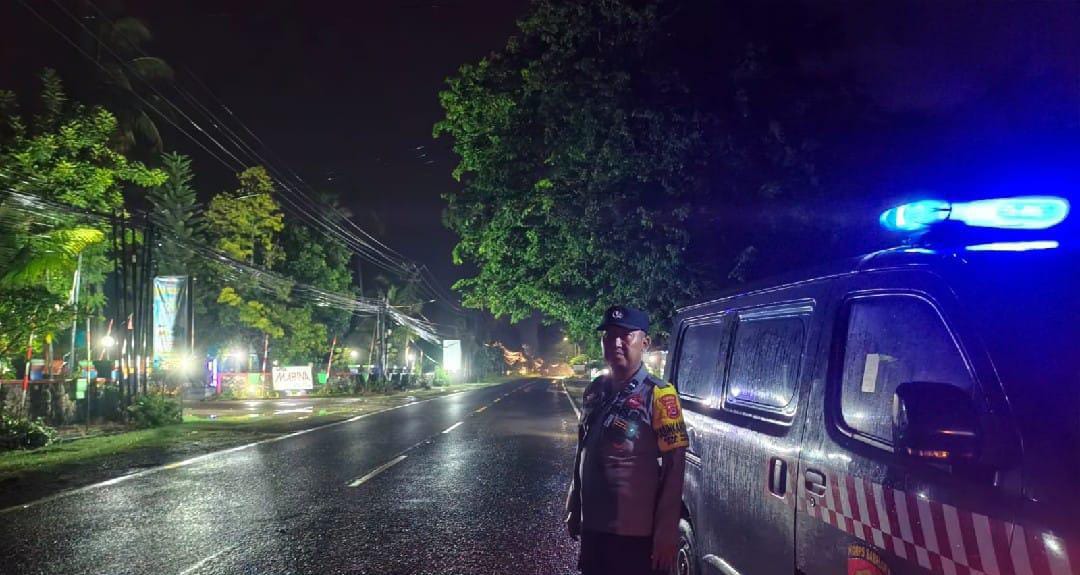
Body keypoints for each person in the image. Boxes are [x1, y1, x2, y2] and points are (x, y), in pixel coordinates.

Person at [565, 305, 689, 575]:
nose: (616, 342)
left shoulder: (660, 395)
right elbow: (583, 448)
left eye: (625, 335)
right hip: (594, 531)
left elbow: (674, 465)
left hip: (634, 538)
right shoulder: (595, 391)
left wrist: (667, 530)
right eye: (609, 335)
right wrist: (574, 502)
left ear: (645, 343)